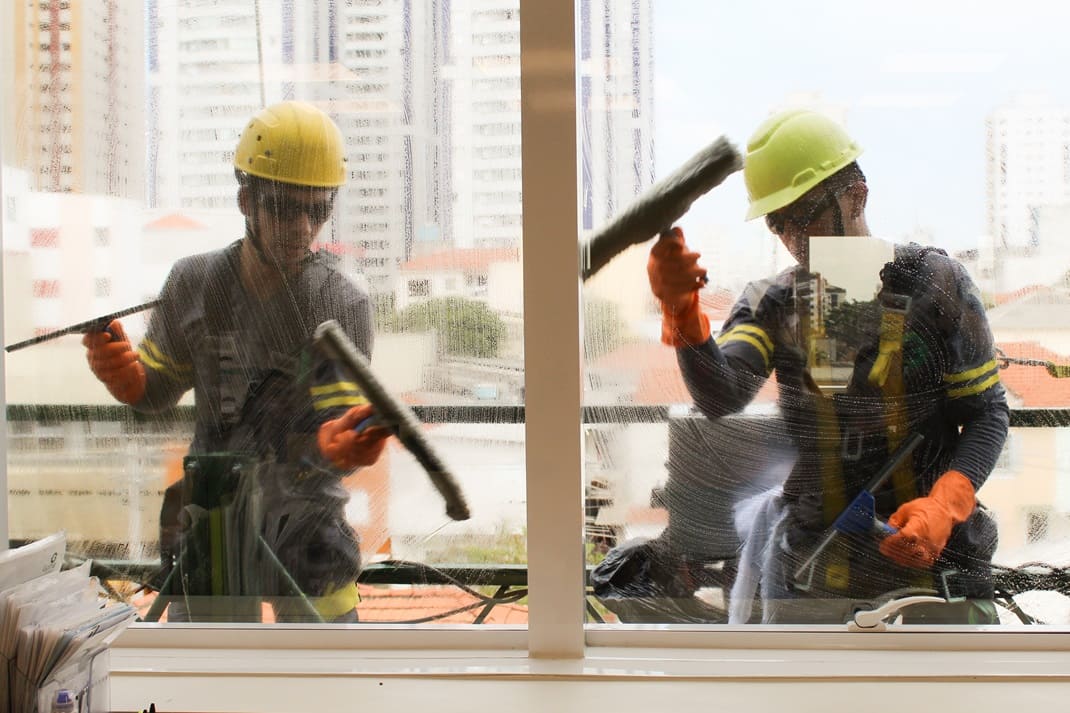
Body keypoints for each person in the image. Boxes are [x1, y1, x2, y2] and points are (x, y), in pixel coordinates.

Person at [647, 108, 1009, 624]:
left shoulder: (936, 285)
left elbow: (986, 413)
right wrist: (683, 314)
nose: (795, 237)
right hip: (815, 571)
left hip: (938, 569)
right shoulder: (775, 303)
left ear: (857, 195)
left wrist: (946, 504)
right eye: (779, 223)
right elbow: (721, 393)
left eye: (806, 214)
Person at [82, 100, 392, 622]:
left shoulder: (342, 303)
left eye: (317, 209)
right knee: (206, 690)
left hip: (307, 528)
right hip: (211, 526)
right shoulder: (193, 284)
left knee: (332, 691)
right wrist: (126, 375)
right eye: (283, 207)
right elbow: (156, 393)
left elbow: (332, 427)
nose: (301, 226)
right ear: (245, 199)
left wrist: (337, 445)